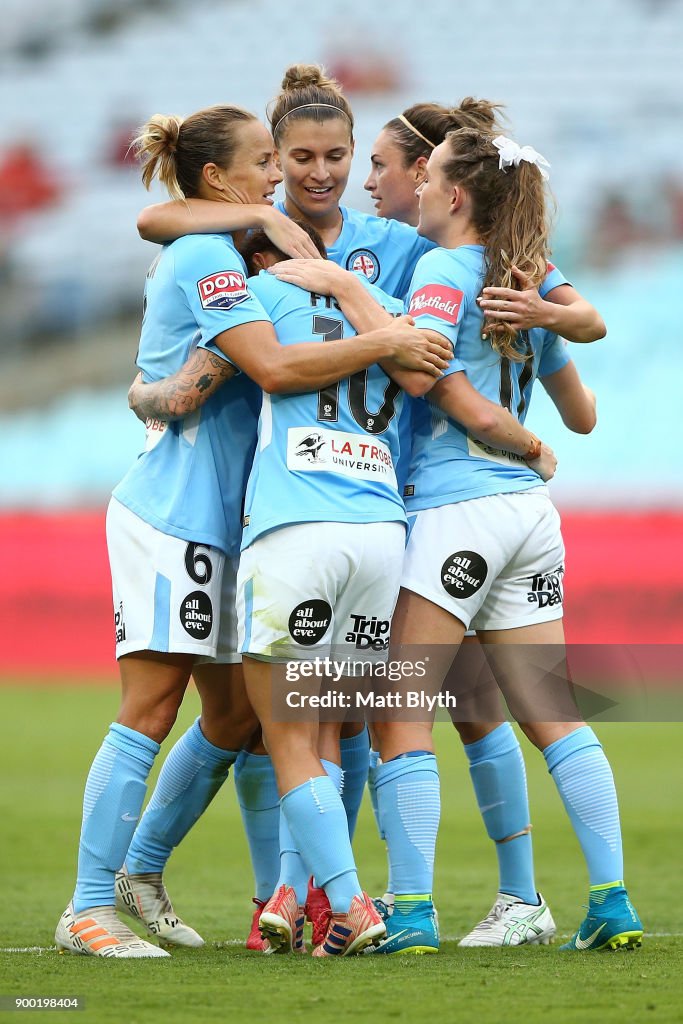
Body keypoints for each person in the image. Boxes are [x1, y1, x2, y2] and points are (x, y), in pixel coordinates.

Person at [131, 74, 608, 950]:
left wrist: (547, 331)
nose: (321, 174)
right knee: (281, 713)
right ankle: (289, 893)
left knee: (360, 710)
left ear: (374, 166)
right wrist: (267, 231)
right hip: (284, 499)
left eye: (343, 158)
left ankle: (391, 899)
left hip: (383, 503)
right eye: (298, 159)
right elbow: (157, 221)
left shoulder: (397, 244)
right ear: (271, 163)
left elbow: (553, 309)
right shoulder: (245, 230)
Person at [54, 102, 441, 960]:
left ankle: (143, 872)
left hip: (244, 522)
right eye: (266, 162)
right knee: (152, 706)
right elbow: (259, 364)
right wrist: (386, 340)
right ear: (220, 180)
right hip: (178, 510)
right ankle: (86, 908)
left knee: (236, 720)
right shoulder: (203, 254)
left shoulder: (237, 248)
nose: (280, 175)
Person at [360, 127, 642, 954]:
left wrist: (355, 306)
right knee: (553, 713)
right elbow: (583, 414)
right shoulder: (523, 280)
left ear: (453, 195)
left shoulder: (446, 271)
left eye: (429, 179)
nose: (413, 191)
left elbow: (421, 372)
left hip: (458, 507)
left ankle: (409, 913)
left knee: (402, 708)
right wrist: (546, 321)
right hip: (530, 518)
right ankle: (610, 900)